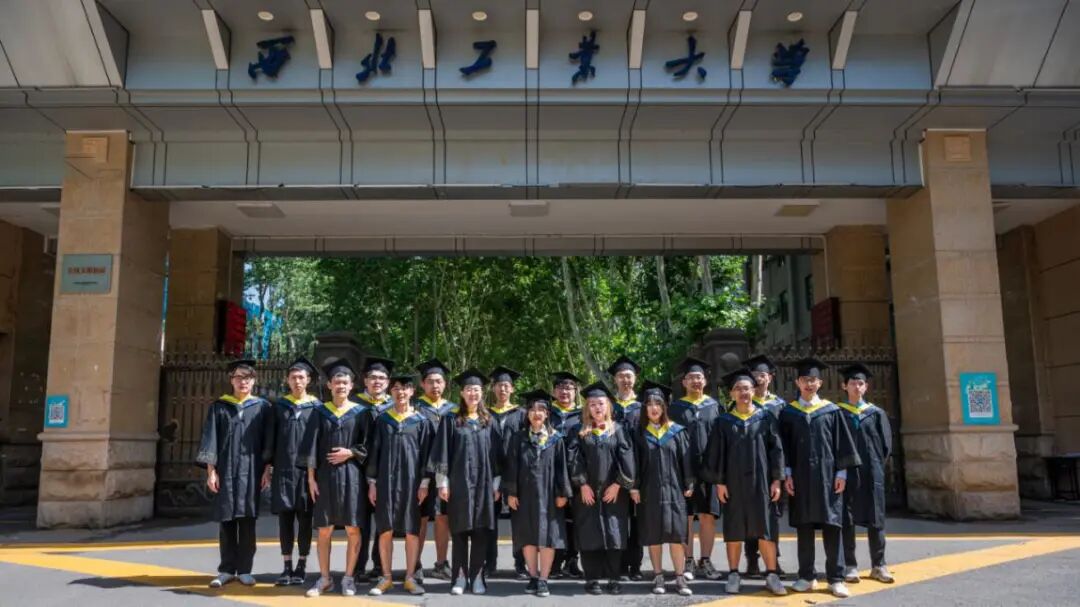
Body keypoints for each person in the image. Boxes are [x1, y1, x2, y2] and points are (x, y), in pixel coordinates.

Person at [778, 357, 861, 598]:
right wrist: (787, 474)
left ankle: (836, 578)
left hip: (828, 477)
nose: (809, 384)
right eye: (805, 380)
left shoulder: (831, 411)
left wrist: (842, 473)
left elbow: (842, 444)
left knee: (832, 525)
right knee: (804, 527)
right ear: (798, 382)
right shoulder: (789, 413)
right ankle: (806, 576)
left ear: (820, 383)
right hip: (800, 477)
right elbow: (784, 447)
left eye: (813, 380)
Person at [705, 368, 787, 597]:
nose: (743, 393)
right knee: (734, 528)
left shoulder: (765, 418)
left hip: (762, 483)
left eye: (747, 388)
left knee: (766, 528)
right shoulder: (723, 422)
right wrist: (719, 482)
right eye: (738, 389)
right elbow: (716, 454)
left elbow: (777, 450)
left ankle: (771, 574)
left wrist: (777, 480)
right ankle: (733, 574)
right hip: (733, 483)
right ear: (731, 394)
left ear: (753, 391)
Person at [197, 358, 274, 589]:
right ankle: (226, 570)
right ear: (231, 380)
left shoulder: (262, 408)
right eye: (238, 377)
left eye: (247, 378)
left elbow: (268, 442)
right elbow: (210, 439)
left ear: (254, 381)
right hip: (226, 471)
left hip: (252, 471)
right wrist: (211, 472)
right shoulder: (219, 407)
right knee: (227, 519)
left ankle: (245, 570)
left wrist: (267, 469)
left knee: (248, 521)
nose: (243, 382)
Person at [300, 358, 373, 598]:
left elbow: (369, 446)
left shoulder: (361, 413)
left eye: (345, 382)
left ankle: (349, 578)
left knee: (353, 528)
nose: (341, 386)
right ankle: (325, 578)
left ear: (351, 385)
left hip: (353, 477)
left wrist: (350, 452)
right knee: (324, 529)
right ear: (329, 385)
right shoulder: (320, 412)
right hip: (326, 477)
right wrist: (311, 479)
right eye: (337, 382)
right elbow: (310, 447)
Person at [429, 369, 502, 595]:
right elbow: (442, 452)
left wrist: (496, 484)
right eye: (468, 389)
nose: (473, 393)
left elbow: (497, 456)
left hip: (483, 484)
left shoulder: (489, 421)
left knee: (480, 530)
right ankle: (459, 577)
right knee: (459, 530)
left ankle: (477, 576)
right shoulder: (451, 420)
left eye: (476, 390)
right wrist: (442, 482)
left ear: (482, 393)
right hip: (459, 483)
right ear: (461, 393)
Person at [366, 373, 437, 596]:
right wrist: (372, 483)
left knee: (412, 530)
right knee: (385, 529)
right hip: (386, 483)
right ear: (391, 392)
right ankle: (386, 577)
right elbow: (374, 454)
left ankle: (410, 578)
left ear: (412, 392)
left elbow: (428, 456)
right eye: (396, 388)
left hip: (412, 483)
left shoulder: (421, 422)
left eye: (405, 388)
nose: (401, 392)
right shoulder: (383, 421)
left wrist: (425, 483)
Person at [567, 382, 636, 595]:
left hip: (613, 494)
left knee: (615, 535)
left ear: (608, 406)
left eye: (601, 403)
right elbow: (573, 459)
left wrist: (618, 485)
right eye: (593, 404)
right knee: (589, 534)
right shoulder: (578, 431)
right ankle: (592, 579)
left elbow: (627, 458)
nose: (597, 407)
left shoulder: (619, 430)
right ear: (587, 408)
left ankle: (614, 579)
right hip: (587, 493)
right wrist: (582, 484)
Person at [504, 389, 572, 598]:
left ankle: (544, 578)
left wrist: (563, 493)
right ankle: (533, 576)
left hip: (549, 496)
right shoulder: (518, 438)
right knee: (528, 536)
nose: (536, 413)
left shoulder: (555, 439)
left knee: (548, 537)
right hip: (524, 495)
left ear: (547, 414)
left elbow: (561, 469)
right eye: (532, 409)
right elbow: (511, 467)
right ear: (527, 414)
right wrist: (511, 492)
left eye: (541, 409)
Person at [630, 380, 694, 596]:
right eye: (649, 404)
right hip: (650, 492)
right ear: (644, 408)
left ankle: (679, 577)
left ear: (664, 407)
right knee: (653, 535)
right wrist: (634, 487)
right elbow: (634, 462)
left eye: (657, 404)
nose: (654, 408)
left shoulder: (677, 431)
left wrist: (689, 482)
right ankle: (658, 576)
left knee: (677, 535)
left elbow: (686, 460)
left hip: (674, 491)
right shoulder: (639, 433)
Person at [837, 363, 894, 585]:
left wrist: (875, 466)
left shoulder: (876, 414)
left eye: (860, 383)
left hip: (872, 473)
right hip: (847, 474)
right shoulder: (838, 413)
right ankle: (850, 566)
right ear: (844, 386)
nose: (857, 387)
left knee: (876, 519)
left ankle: (879, 565)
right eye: (853, 383)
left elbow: (886, 446)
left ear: (866, 387)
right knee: (847, 519)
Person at [667, 356, 723, 581]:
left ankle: (705, 560)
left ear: (705, 381)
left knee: (708, 515)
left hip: (710, 469)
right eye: (691, 378)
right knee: (687, 516)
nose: (695, 381)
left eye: (699, 377)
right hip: (684, 469)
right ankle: (688, 559)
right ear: (684, 382)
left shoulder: (715, 406)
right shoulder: (675, 408)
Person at [266, 356, 320, 587]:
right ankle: (287, 565)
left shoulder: (317, 408)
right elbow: (270, 440)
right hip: (284, 471)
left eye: (301, 377)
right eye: (293, 377)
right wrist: (267, 467)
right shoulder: (279, 407)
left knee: (305, 520)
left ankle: (302, 564)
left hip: (307, 474)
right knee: (285, 520)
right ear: (287, 380)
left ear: (308, 380)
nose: (297, 381)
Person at [740, 354, 787, 577]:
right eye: (755, 374)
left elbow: (784, 441)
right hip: (748, 468)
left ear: (770, 377)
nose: (759, 378)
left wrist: (782, 473)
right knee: (750, 514)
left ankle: (773, 560)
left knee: (772, 517)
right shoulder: (741, 404)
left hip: (772, 468)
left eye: (763, 374)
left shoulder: (780, 405)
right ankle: (752, 560)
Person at [414, 357, 458, 582]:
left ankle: (441, 564)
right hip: (419, 471)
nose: (435, 385)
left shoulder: (453, 410)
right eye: (430, 381)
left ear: (445, 384)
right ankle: (415, 564)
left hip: (444, 473)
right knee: (420, 518)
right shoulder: (415, 408)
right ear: (423, 384)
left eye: (439, 381)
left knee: (442, 517)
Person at [353, 355, 395, 582]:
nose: (377, 381)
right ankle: (358, 566)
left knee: (382, 521)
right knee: (360, 521)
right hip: (358, 470)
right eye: (372, 377)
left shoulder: (394, 406)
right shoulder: (354, 405)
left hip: (385, 471)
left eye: (381, 378)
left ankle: (379, 565)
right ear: (365, 381)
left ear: (387, 382)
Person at [486, 365, 528, 579]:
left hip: (516, 474)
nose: (502, 389)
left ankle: (520, 564)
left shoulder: (522, 414)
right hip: (490, 472)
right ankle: (489, 563)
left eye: (506, 386)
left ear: (512, 389)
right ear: (493, 389)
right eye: (499, 385)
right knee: (489, 521)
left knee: (519, 521)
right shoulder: (485, 414)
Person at [607, 355, 644, 581]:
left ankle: (635, 566)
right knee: (617, 521)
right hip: (613, 473)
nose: (625, 380)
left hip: (639, 471)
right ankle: (619, 567)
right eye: (621, 376)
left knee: (638, 522)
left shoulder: (643, 407)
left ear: (635, 378)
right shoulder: (608, 406)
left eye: (629, 376)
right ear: (615, 379)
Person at [547, 371, 584, 579]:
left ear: (575, 391)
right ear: (554, 391)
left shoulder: (582, 415)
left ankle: (572, 560)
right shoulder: (546, 413)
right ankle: (553, 562)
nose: (564, 392)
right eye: (560, 388)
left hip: (575, 475)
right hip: (550, 475)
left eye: (569, 388)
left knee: (574, 520)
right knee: (554, 519)